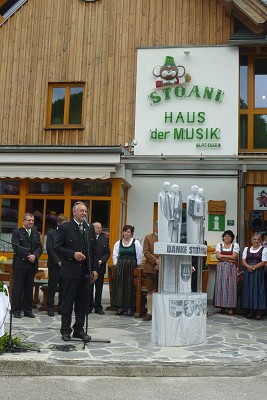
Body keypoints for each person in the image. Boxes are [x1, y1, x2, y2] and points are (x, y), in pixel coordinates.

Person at [53, 201, 98, 341]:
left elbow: (94, 250)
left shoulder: (89, 228)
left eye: (85, 211)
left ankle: (79, 329)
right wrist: (73, 254)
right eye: (81, 211)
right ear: (74, 212)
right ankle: (65, 330)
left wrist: (95, 269)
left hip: (85, 272)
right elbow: (57, 247)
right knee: (67, 303)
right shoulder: (66, 227)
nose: (84, 213)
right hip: (70, 272)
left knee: (82, 303)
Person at [11, 212, 43, 318]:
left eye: (32, 220)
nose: (31, 222)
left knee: (29, 289)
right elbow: (16, 246)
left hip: (32, 265)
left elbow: (40, 248)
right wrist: (28, 256)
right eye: (29, 220)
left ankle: (27, 310)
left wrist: (35, 255)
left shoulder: (36, 233)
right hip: (20, 264)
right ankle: (16, 310)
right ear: (23, 221)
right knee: (18, 288)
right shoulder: (17, 232)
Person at [112, 224, 143, 316]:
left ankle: (129, 307)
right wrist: (116, 265)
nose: (126, 233)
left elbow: (139, 255)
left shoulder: (135, 243)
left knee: (130, 286)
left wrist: (137, 266)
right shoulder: (118, 243)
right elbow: (115, 255)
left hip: (131, 266)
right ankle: (120, 307)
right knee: (120, 285)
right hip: (120, 266)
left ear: (131, 233)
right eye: (125, 231)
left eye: (128, 231)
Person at [241, 232, 267, 320]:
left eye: (258, 239)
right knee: (248, 290)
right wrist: (248, 267)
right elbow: (243, 261)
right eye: (254, 239)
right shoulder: (246, 249)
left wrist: (253, 267)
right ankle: (250, 310)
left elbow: (263, 262)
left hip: (258, 272)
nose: (256, 241)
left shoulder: (264, 250)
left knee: (258, 291)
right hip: (248, 272)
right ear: (251, 240)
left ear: (261, 241)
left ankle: (258, 311)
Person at [46, 215, 68, 316]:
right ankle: (50, 307)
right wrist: (58, 261)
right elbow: (50, 248)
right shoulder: (51, 234)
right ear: (59, 223)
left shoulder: (67, 234)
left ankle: (61, 308)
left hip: (65, 265)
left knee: (64, 288)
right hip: (54, 265)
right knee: (52, 287)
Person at [213, 230, 239, 316]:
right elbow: (217, 257)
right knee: (221, 286)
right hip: (221, 267)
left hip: (231, 268)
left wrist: (222, 256)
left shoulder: (235, 245)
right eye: (225, 236)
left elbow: (235, 257)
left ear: (232, 238)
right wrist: (229, 258)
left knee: (231, 287)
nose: (226, 237)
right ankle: (222, 306)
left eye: (228, 236)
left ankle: (230, 308)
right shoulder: (219, 245)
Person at [88, 222, 110, 315]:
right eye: (97, 227)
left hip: (100, 267)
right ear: (93, 228)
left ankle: (98, 307)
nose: (100, 229)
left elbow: (107, 252)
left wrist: (101, 260)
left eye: (100, 228)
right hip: (90, 267)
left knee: (99, 288)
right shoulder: (88, 238)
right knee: (89, 288)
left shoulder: (104, 239)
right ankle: (89, 306)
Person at [142, 221, 159, 321]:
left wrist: (160, 262)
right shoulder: (148, 237)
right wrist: (155, 262)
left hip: (163, 268)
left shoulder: (167, 238)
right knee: (150, 290)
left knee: (161, 291)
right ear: (155, 227)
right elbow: (146, 251)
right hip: (150, 268)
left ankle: (159, 312)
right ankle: (149, 312)